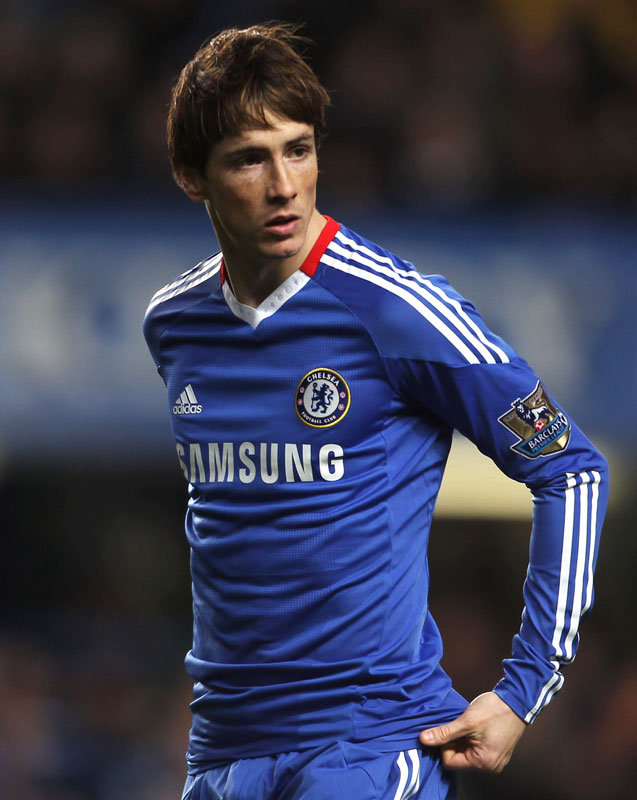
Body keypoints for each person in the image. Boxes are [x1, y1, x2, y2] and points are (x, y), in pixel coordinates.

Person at [143, 22, 608, 800]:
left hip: (365, 745)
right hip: (222, 754)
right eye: (250, 158)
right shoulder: (174, 322)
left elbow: (571, 469)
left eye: (298, 150)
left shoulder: (397, 308)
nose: (284, 184)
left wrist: (525, 689)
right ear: (193, 177)